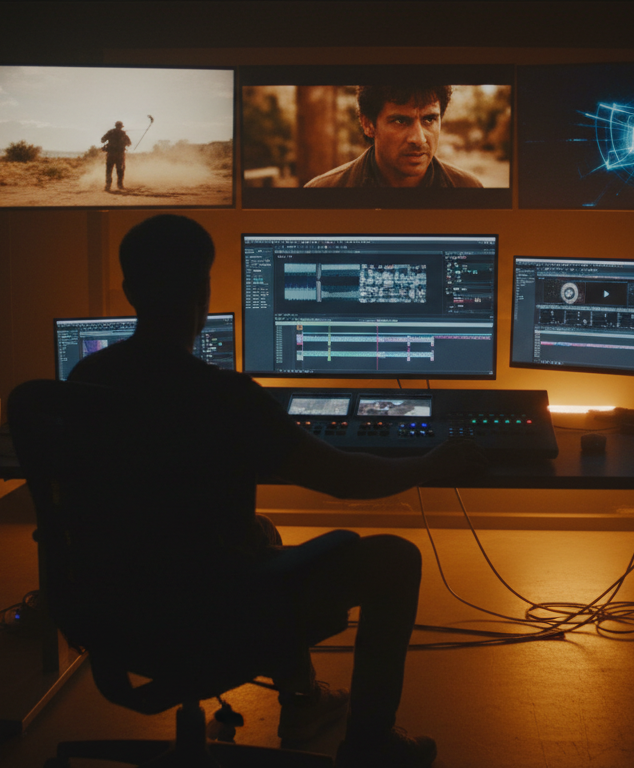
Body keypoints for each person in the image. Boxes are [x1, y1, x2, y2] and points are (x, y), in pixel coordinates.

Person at [68, 214, 486, 768]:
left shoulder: (82, 383)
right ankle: (370, 745)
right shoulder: (226, 397)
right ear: (204, 290)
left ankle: (304, 700)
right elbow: (344, 478)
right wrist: (428, 465)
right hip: (209, 610)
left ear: (129, 290)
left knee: (261, 530)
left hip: (108, 603)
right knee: (395, 558)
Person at [304, 85, 483, 189]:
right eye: (400, 121)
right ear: (368, 124)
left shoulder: (468, 189)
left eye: (429, 119)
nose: (419, 139)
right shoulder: (323, 191)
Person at [101, 120, 132, 191]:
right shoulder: (123, 134)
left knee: (109, 170)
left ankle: (108, 186)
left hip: (110, 154)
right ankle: (120, 185)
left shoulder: (110, 132)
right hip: (120, 155)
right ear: (121, 127)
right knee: (120, 170)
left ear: (115, 126)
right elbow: (129, 143)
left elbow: (102, 140)